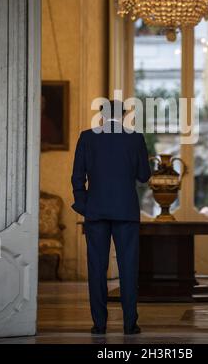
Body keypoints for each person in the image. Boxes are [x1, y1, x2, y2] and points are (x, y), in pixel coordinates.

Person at [71, 100, 151, 335]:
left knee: (96, 268)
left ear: (102, 114)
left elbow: (77, 177)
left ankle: (99, 325)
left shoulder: (87, 137)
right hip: (126, 210)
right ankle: (129, 325)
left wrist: (84, 205)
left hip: (95, 211)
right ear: (125, 114)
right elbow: (144, 176)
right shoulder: (135, 138)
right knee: (128, 268)